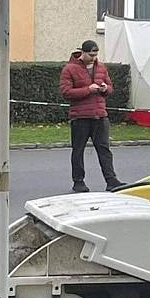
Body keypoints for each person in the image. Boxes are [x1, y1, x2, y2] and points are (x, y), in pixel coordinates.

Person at [59, 40, 125, 192]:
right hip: (80, 117)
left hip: (100, 116)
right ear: (82, 52)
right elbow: (66, 92)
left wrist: (104, 89)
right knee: (78, 150)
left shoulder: (101, 67)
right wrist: (88, 89)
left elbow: (110, 87)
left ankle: (111, 180)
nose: (94, 58)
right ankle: (78, 182)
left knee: (104, 149)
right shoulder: (69, 69)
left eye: (96, 55)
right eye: (91, 54)